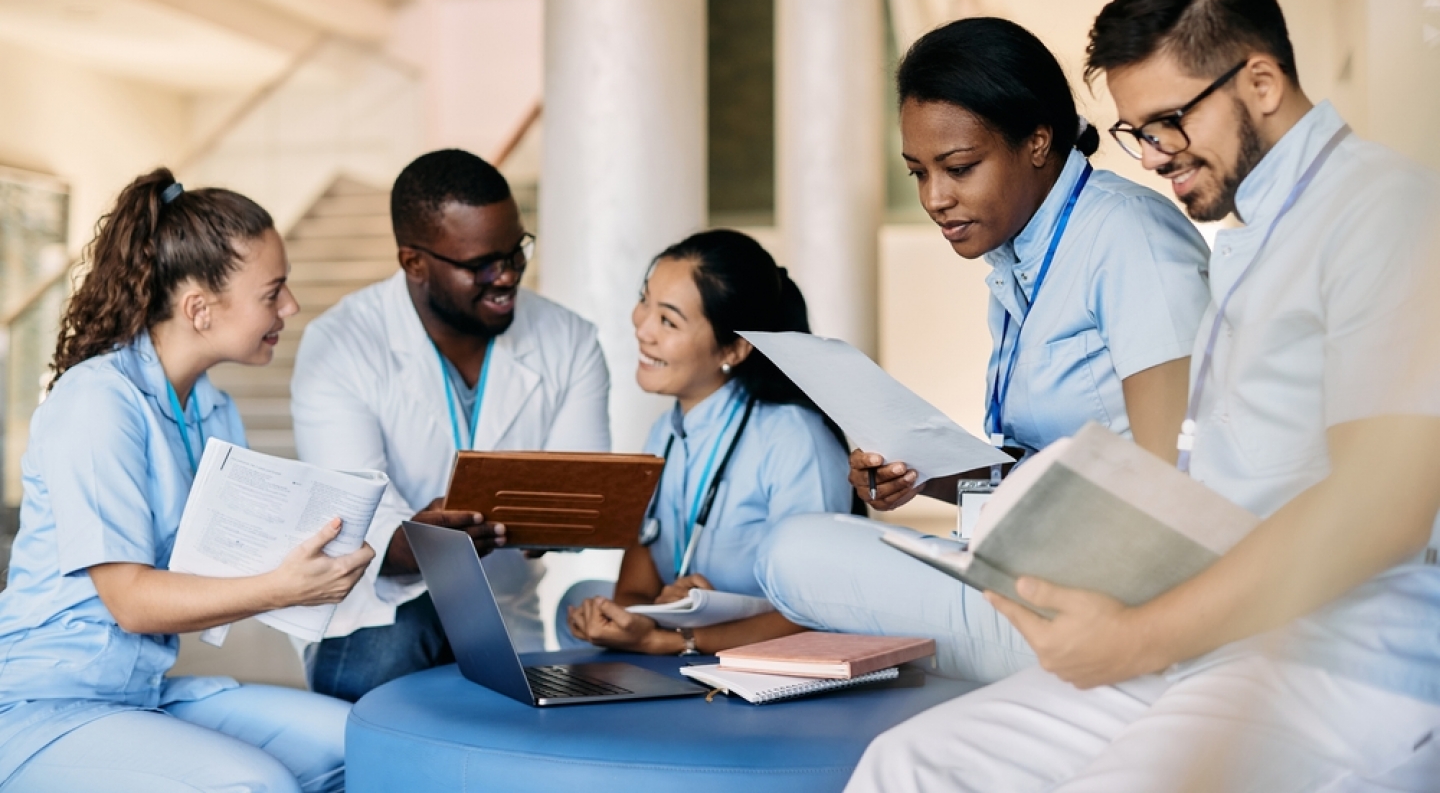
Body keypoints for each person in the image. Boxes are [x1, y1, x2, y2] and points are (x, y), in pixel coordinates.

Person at [846, 0, 1440, 793]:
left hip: (1338, 648)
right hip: (1212, 631)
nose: (1152, 154)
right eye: (1135, 131)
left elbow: (1381, 507)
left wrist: (1141, 634)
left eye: (1168, 122)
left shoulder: (1381, 212)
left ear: (1261, 85)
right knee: (908, 763)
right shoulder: (1247, 240)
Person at [756, 16, 1212, 682]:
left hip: (1112, 607)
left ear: (1036, 141)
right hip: (1029, 563)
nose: (936, 199)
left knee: (790, 552)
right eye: (918, 173)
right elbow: (1035, 481)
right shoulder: (1015, 262)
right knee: (808, 545)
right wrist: (925, 476)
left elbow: (1176, 477)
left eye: (960, 168)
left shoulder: (1128, 237)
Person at [0, 169, 369, 793]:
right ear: (200, 309)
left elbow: (234, 558)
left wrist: (327, 553)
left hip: (141, 692)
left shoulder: (213, 410)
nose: (290, 308)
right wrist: (280, 588)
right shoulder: (98, 401)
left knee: (363, 744)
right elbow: (133, 602)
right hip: (43, 705)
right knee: (257, 785)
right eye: (272, 291)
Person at [291, 148, 610, 701]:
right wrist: (419, 543)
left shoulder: (571, 341)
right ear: (414, 262)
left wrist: (557, 521)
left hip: (506, 612)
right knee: (406, 650)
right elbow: (350, 523)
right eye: (482, 264)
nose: (507, 276)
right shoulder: (339, 344)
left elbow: (580, 494)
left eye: (516, 252)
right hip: (377, 621)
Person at [564, 229, 852, 656]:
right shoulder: (664, 433)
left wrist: (674, 638)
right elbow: (636, 588)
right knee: (576, 598)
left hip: (771, 672)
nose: (642, 328)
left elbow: (818, 611)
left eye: (668, 320)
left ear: (735, 348)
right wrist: (627, 618)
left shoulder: (795, 438)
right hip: (685, 654)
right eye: (645, 301)